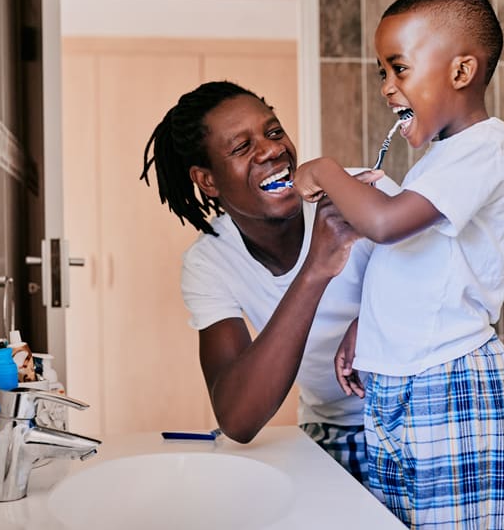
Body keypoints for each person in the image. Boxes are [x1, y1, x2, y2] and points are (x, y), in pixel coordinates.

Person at [292, 0, 504, 528]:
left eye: (399, 69)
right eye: (382, 73)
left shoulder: (486, 148)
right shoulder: (441, 159)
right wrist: (365, 333)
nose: (387, 88)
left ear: (461, 71)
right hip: (402, 379)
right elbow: (418, 265)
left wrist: (324, 170)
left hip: (450, 380)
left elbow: (387, 227)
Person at [141, 80, 390, 483]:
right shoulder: (211, 261)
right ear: (207, 180)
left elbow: (443, 291)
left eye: (274, 132)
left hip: (414, 418)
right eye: (241, 147)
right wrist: (316, 268)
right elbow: (238, 418)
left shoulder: (355, 194)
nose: (272, 149)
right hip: (330, 432)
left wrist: (375, 323)